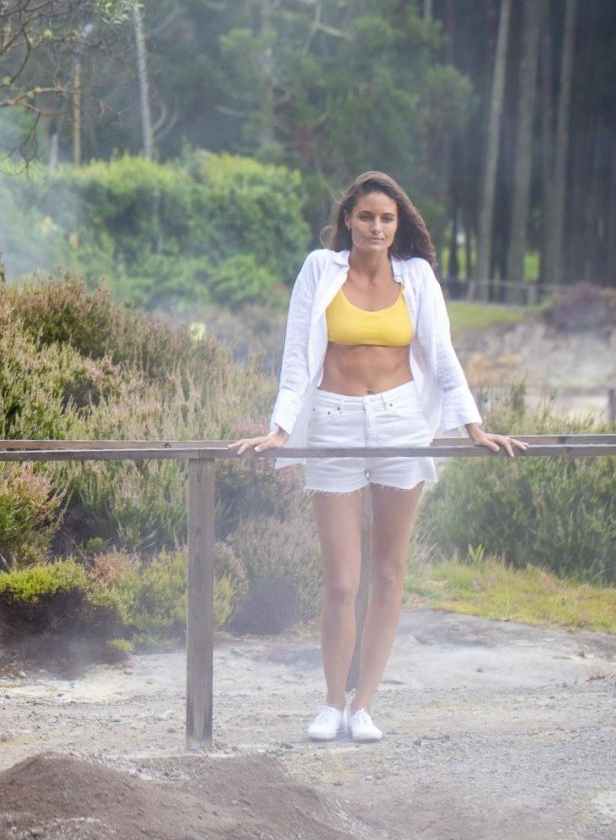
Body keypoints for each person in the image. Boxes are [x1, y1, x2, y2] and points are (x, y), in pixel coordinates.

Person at [229, 171, 526, 743]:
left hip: (400, 424)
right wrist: (279, 430)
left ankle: (363, 706)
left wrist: (474, 428)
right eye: (366, 216)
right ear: (348, 219)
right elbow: (297, 357)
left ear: (398, 224)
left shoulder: (416, 277)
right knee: (342, 581)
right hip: (335, 424)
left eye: (386, 218)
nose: (376, 227)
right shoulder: (320, 269)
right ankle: (330, 702)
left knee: (388, 574)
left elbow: (443, 357)